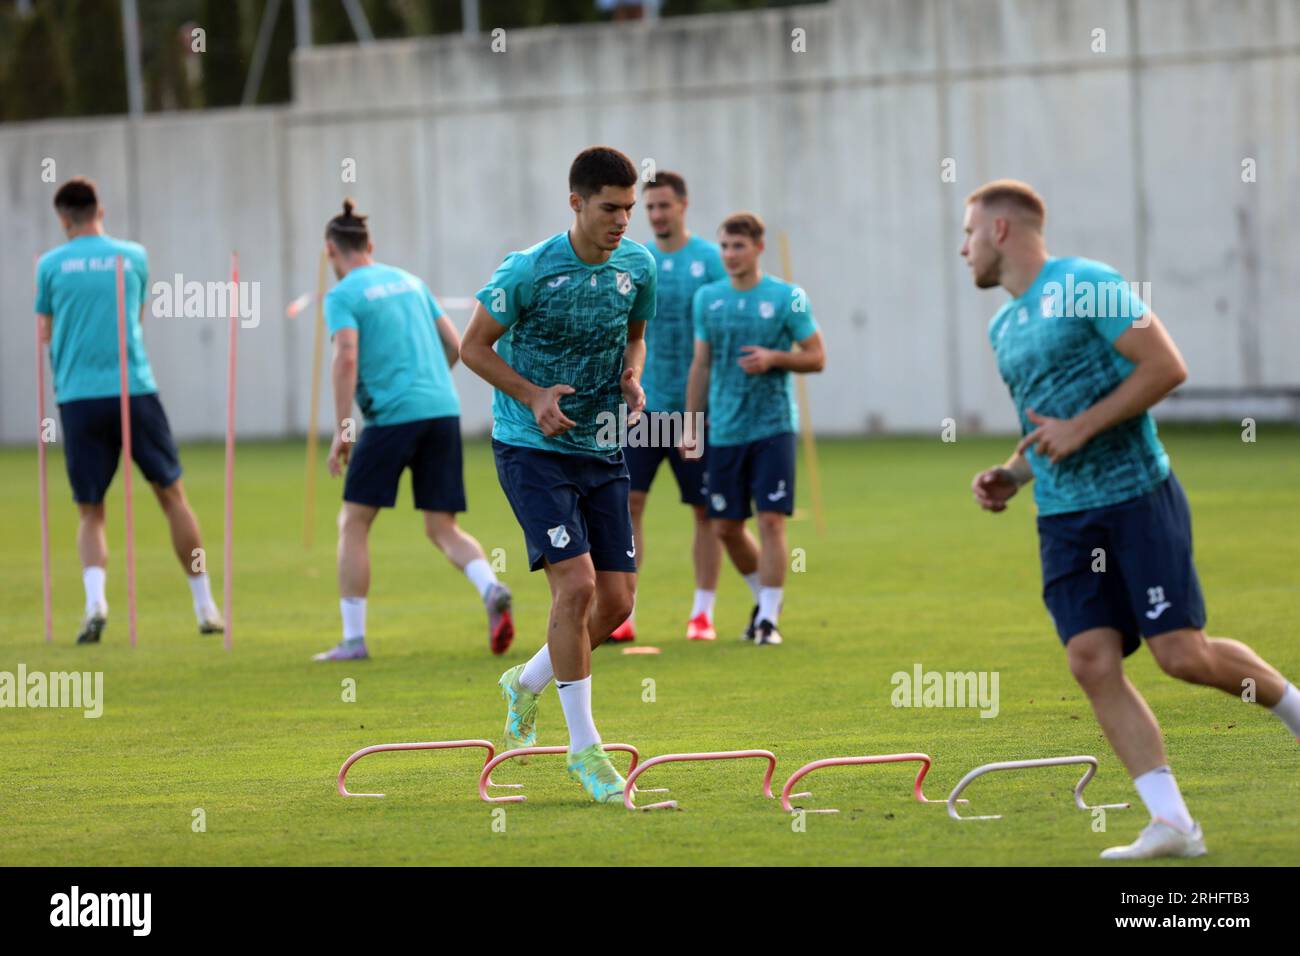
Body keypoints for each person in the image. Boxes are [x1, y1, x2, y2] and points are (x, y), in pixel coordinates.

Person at [962, 178, 1300, 859]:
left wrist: (1082, 429)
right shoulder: (1002, 327)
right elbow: (1047, 428)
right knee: (1090, 661)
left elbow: (1165, 367)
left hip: (1136, 498)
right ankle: (1173, 823)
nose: (961, 249)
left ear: (1000, 230)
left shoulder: (1085, 283)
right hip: (1063, 518)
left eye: (966, 233)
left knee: (1183, 656)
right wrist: (1013, 474)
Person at [460, 146, 655, 803]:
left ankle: (526, 682)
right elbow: (472, 347)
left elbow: (636, 334)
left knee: (618, 603)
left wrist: (632, 374)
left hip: (602, 446)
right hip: (532, 448)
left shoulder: (638, 266)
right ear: (575, 203)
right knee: (575, 588)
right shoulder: (528, 271)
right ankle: (585, 749)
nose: (623, 220)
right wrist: (533, 394)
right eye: (610, 208)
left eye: (630, 208)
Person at [314, 199, 512, 662]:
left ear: (330, 251)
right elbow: (457, 344)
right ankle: (489, 587)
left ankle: (353, 640)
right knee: (442, 526)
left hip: (391, 419)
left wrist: (344, 426)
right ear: (371, 245)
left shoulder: (342, 295)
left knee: (354, 522)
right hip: (442, 410)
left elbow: (346, 358)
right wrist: (431, 383)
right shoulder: (411, 281)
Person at [35, 176, 224, 644]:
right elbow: (134, 318)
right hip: (133, 390)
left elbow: (44, 332)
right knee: (172, 496)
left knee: (90, 511)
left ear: (63, 218)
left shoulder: (50, 265)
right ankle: (206, 606)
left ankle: (96, 601)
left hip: (78, 396)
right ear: (100, 210)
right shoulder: (133, 256)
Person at [684, 212, 825, 646]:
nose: (729, 255)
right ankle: (764, 598)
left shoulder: (787, 297)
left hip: (773, 427)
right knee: (725, 526)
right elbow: (702, 364)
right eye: (724, 246)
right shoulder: (707, 299)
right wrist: (690, 424)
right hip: (725, 430)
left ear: (758, 248)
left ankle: (767, 620)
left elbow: (817, 356)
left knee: (771, 520)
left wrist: (775, 358)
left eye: (738, 246)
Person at [611, 170, 733, 644]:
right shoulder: (632, 260)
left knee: (704, 510)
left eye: (664, 205)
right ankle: (624, 611)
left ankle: (702, 613)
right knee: (627, 502)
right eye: (650, 207)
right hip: (641, 407)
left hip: (695, 411)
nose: (657, 215)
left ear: (683, 205)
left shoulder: (710, 259)